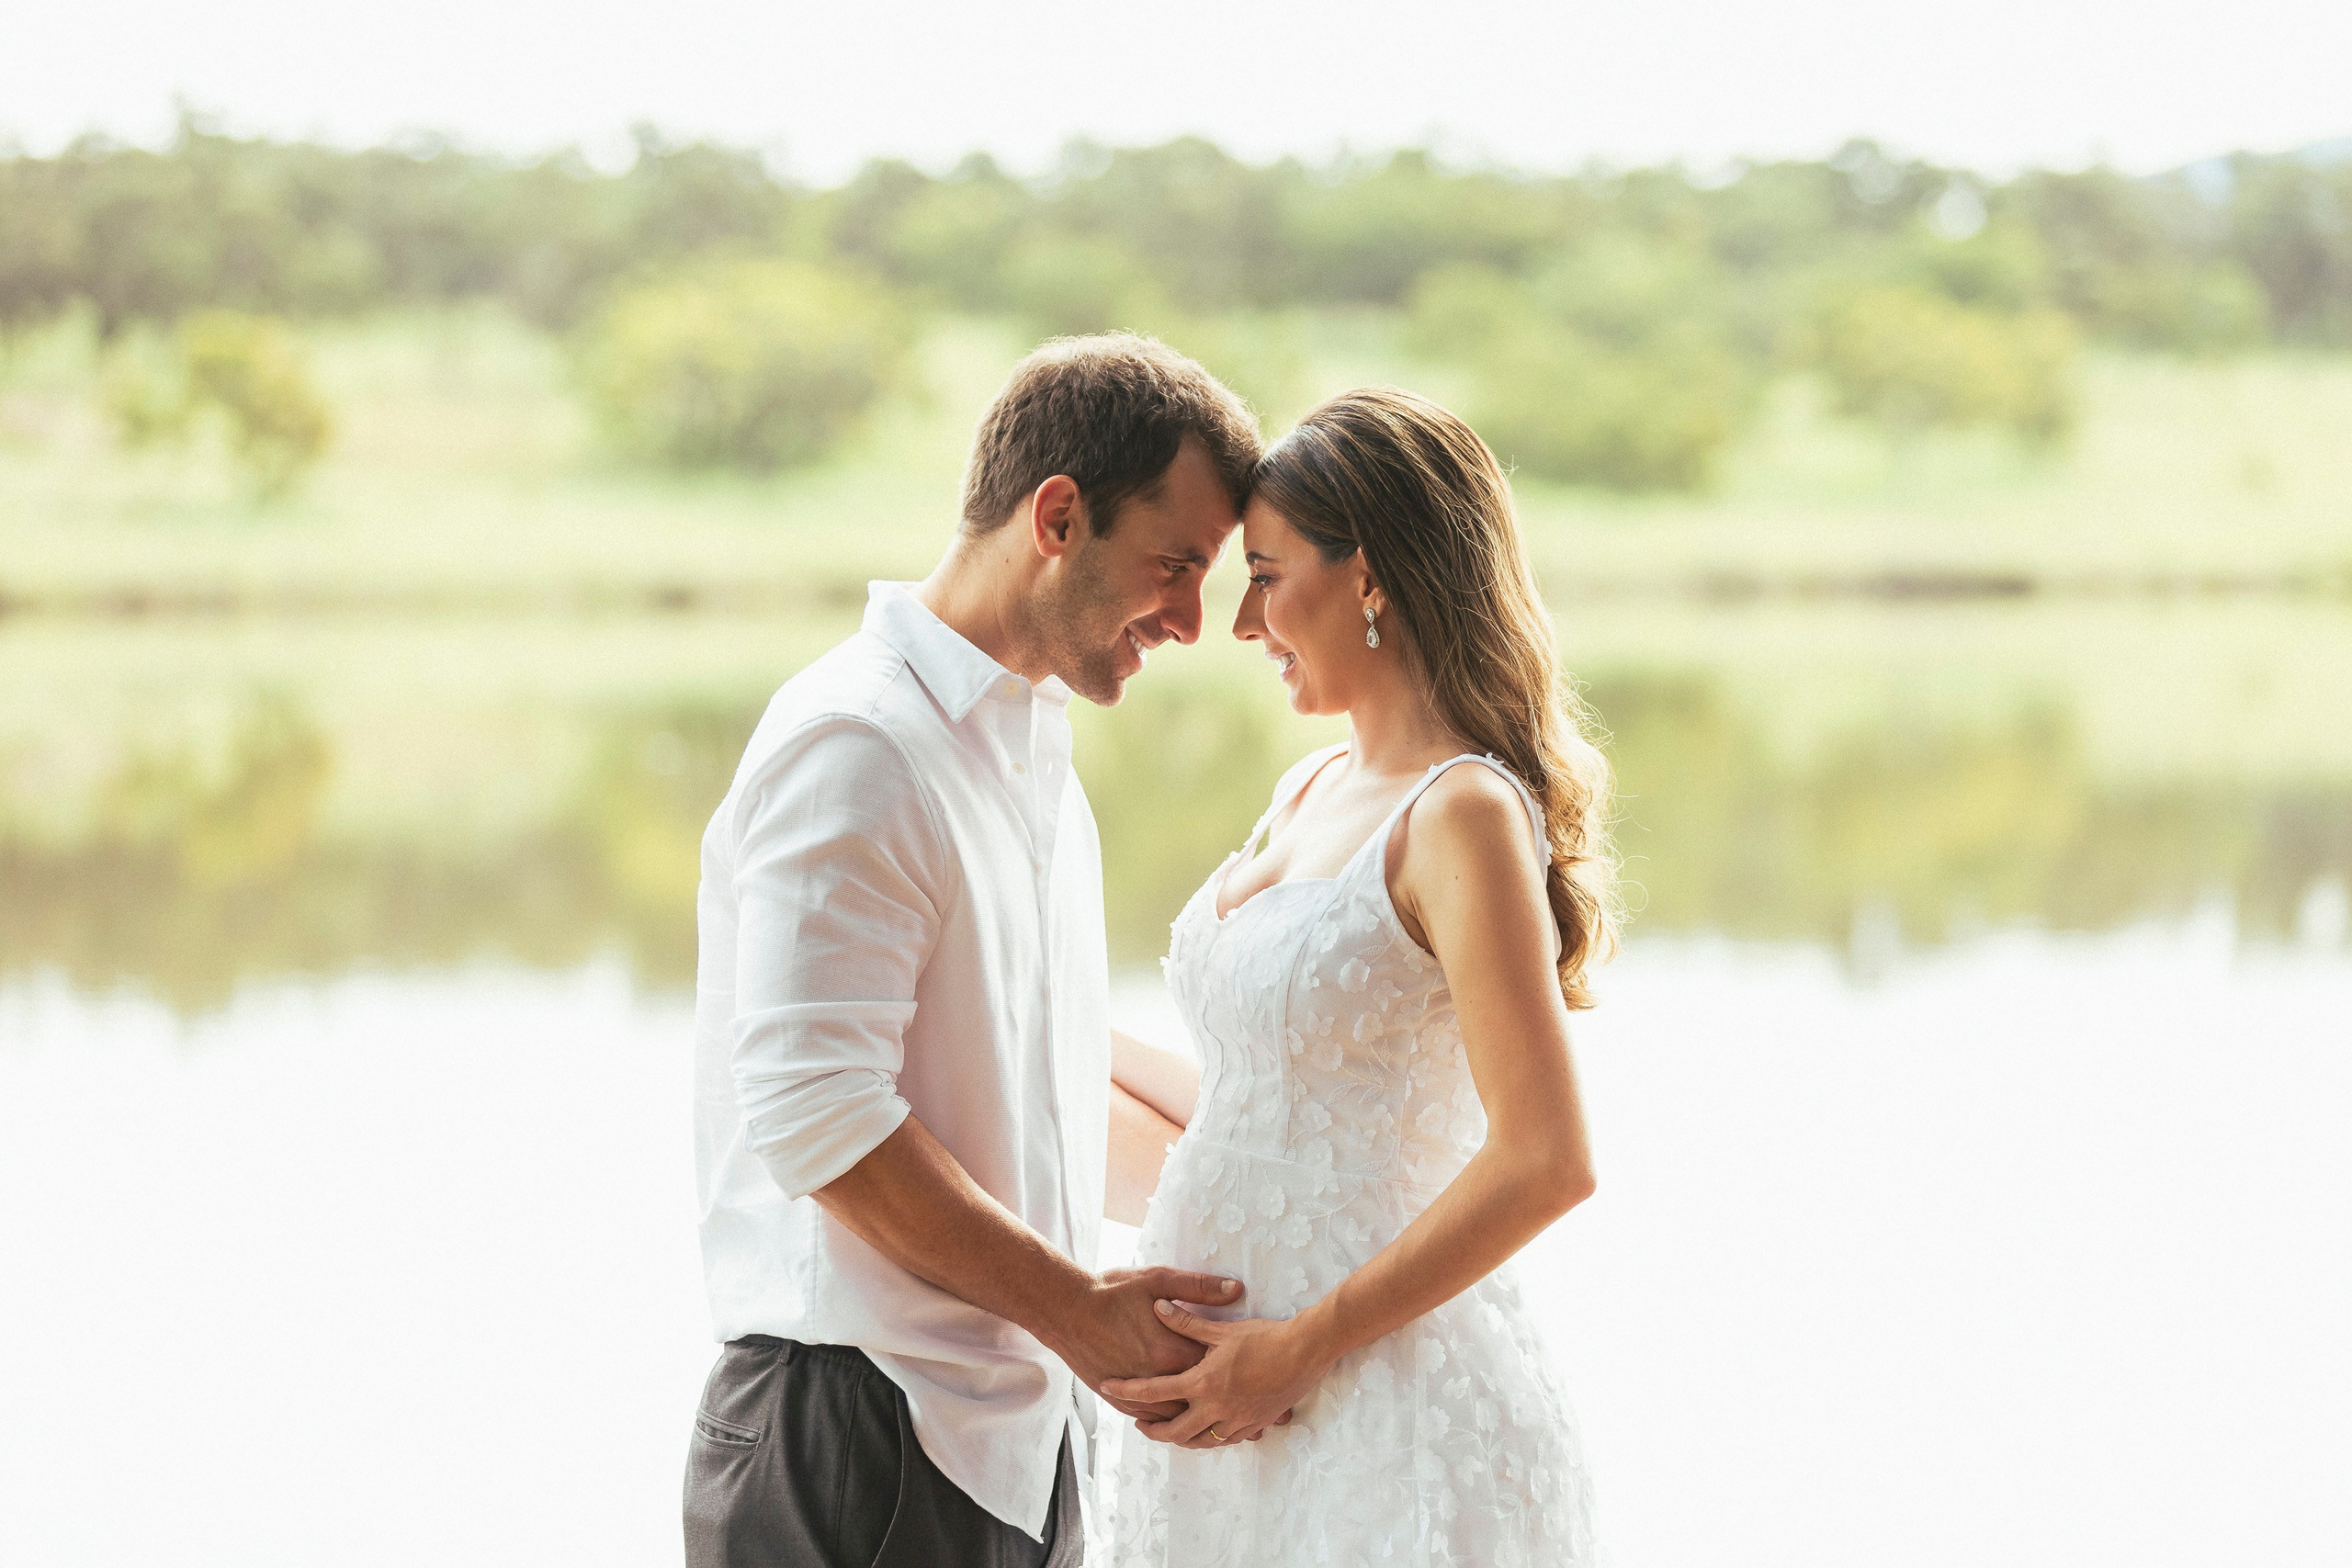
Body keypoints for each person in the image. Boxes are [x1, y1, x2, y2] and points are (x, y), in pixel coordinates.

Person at [684, 334, 1266, 1568]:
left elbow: (1029, 1086)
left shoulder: (1027, 749)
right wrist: (1076, 1309)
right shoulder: (861, 742)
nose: (1192, 619)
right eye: (1175, 564)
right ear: (1058, 515)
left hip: (1006, 1432)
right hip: (856, 1430)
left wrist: (1295, 1195)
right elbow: (813, 1111)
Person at [1100, 389, 1617, 1565]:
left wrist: (1296, 1349)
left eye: (1269, 575)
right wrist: (1036, 1026)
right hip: (1234, 1409)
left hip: (1376, 1411)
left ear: (1370, 576)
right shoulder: (1308, 786)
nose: (1241, 623)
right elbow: (1265, 1106)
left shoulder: (1465, 814)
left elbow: (1547, 1161)